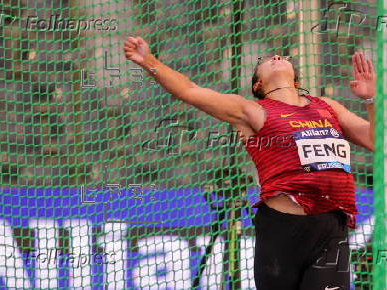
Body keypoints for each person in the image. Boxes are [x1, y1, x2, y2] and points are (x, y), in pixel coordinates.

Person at [123, 36, 375, 290]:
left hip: (331, 229)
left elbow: (376, 140)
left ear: (296, 80)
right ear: (259, 83)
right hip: (282, 231)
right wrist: (148, 60)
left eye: (283, 58)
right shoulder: (253, 110)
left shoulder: (327, 107)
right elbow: (189, 90)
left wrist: (371, 100)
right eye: (266, 61)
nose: (277, 57)